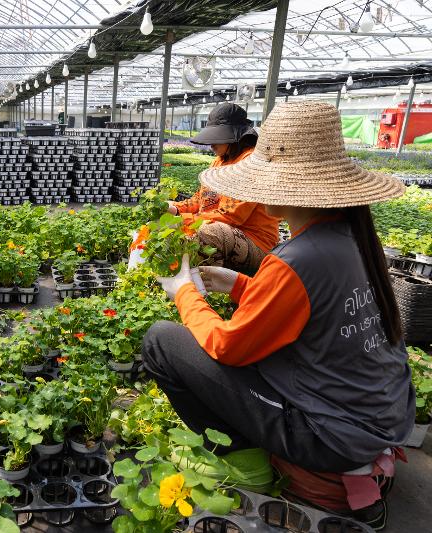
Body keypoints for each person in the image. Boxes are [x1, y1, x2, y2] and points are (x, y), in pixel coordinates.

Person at [143, 102, 413, 525]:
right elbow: (312, 314)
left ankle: (251, 466)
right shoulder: (352, 237)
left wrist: (183, 293)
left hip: (330, 436)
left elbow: (227, 346)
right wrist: (236, 284)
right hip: (378, 419)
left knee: (162, 341)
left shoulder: (297, 259)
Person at [167, 103, 280, 271]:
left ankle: (209, 284)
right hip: (225, 231)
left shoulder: (251, 162)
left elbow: (230, 217)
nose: (211, 144)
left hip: (255, 243)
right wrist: (174, 209)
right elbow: (202, 198)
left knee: (209, 233)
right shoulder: (220, 160)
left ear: (234, 137)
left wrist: (184, 220)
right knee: (172, 226)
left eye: (216, 138)